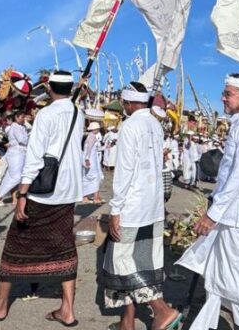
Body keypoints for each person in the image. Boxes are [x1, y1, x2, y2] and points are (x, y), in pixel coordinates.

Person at [0, 70, 83, 325]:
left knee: (15, 244)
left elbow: (35, 156)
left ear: (49, 88)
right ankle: (68, 308)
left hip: (45, 190)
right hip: (69, 188)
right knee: (64, 244)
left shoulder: (47, 114)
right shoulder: (77, 113)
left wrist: (23, 193)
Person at [176, 74, 239, 330]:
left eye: (228, 93)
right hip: (232, 215)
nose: (223, 98)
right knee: (220, 277)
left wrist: (213, 214)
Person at [101, 83, 183, 330]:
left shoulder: (130, 125)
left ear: (127, 103)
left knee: (123, 262)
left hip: (133, 206)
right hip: (152, 205)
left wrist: (116, 209)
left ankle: (161, 310)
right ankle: (127, 322)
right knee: (144, 261)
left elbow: (125, 171)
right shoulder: (155, 125)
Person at [0, 113, 31, 206]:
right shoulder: (15, 127)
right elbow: (23, 140)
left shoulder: (21, 126)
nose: (24, 119)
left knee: (9, 177)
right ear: (16, 117)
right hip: (16, 153)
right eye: (22, 117)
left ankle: (0, 197)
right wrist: (30, 136)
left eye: (24, 117)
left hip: (19, 153)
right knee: (16, 177)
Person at [81, 109, 105, 203]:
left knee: (88, 177)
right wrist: (87, 159)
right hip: (91, 159)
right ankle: (95, 197)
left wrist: (105, 147)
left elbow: (95, 149)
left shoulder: (90, 136)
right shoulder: (92, 136)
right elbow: (89, 149)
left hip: (92, 158)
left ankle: (86, 197)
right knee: (94, 177)